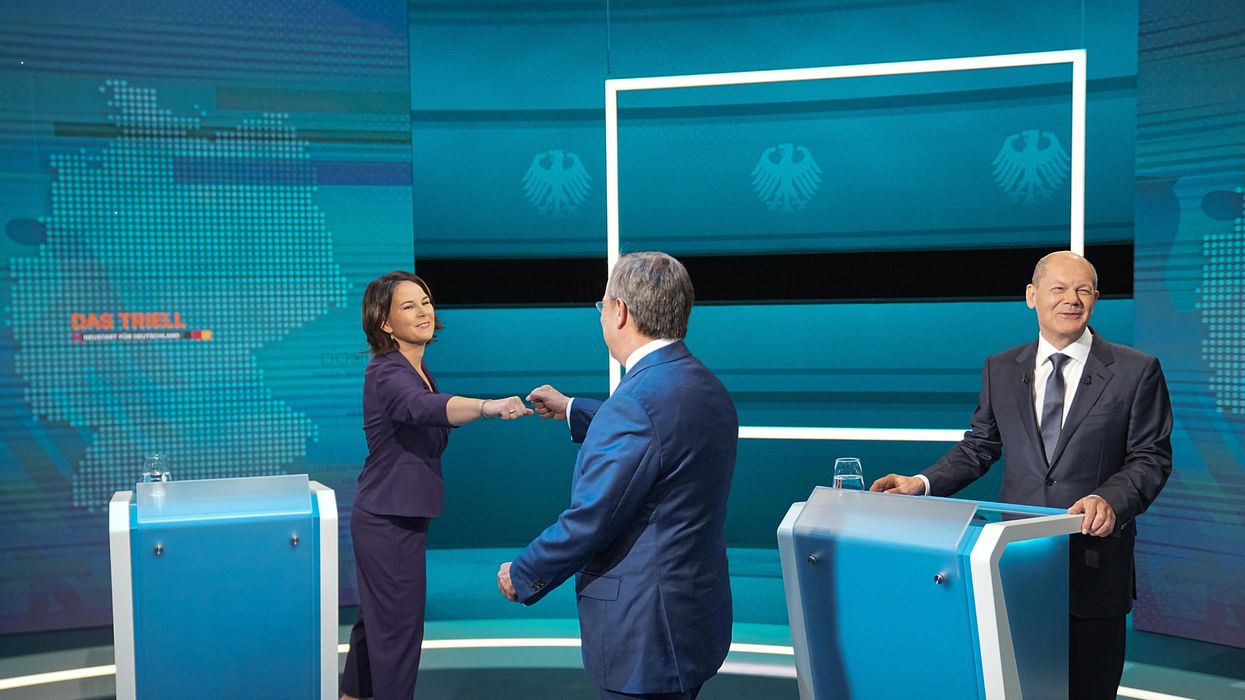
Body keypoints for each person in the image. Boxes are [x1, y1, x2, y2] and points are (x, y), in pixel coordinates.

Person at [871, 250, 1173, 700]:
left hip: (1091, 566)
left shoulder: (1135, 370)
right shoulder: (1001, 367)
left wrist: (1110, 499)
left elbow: (1150, 458)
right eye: (1058, 288)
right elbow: (980, 447)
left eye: (1083, 290)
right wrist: (922, 482)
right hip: (1015, 564)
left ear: (1095, 299)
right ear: (1032, 296)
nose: (1071, 299)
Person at [496, 252, 738, 700]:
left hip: (645, 632)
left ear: (620, 311)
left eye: (602, 305)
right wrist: (573, 409)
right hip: (692, 619)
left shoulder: (636, 404)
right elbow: (663, 435)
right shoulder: (705, 385)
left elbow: (590, 519)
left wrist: (524, 572)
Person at [341, 271, 532, 700]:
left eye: (425, 301)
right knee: (397, 635)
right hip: (388, 521)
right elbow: (422, 408)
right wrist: (487, 407)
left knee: (376, 626)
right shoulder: (387, 373)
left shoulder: (418, 368)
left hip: (394, 516)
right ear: (385, 323)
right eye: (409, 306)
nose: (424, 310)